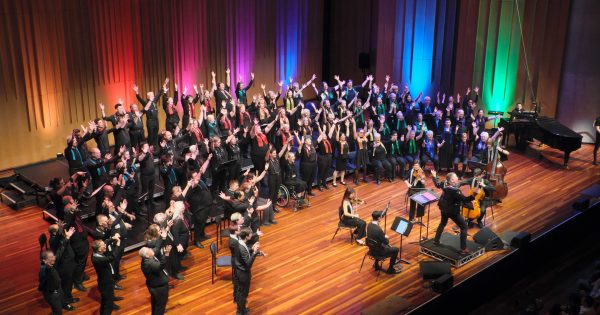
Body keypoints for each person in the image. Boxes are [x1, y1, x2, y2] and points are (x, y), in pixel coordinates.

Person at [431, 171, 477, 254]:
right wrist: (474, 195)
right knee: (464, 227)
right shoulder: (455, 191)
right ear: (452, 180)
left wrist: (434, 176)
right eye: (456, 177)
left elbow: (437, 184)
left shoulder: (444, 183)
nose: (457, 178)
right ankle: (463, 249)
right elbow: (465, 199)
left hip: (443, 208)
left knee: (442, 223)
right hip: (452, 211)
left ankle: (436, 240)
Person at [40, 226, 76, 314]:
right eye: (51, 257)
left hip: (58, 283)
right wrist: (61, 231)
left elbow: (61, 249)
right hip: (53, 291)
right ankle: (64, 303)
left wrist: (67, 237)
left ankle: (66, 299)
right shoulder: (53, 240)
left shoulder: (54, 260)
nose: (53, 259)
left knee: (67, 286)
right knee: (57, 309)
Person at [233, 227, 262, 315]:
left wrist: (252, 249)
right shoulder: (241, 246)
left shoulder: (239, 242)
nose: (251, 235)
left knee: (240, 292)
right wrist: (255, 252)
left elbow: (245, 252)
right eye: (250, 234)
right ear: (246, 236)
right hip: (243, 274)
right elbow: (248, 264)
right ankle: (240, 311)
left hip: (239, 271)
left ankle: (241, 309)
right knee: (243, 293)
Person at [139, 245, 171, 315]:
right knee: (160, 307)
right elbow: (161, 266)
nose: (151, 249)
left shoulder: (146, 259)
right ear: (147, 256)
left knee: (156, 306)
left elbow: (156, 248)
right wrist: (166, 254)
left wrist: (162, 238)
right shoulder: (150, 264)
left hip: (155, 287)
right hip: (159, 288)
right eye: (149, 250)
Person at [91, 239, 120, 314]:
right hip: (105, 284)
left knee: (105, 302)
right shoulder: (98, 259)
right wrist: (117, 245)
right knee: (108, 305)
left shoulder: (97, 253)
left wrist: (113, 238)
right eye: (103, 245)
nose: (105, 245)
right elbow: (112, 257)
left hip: (105, 281)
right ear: (100, 249)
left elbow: (107, 242)